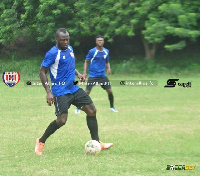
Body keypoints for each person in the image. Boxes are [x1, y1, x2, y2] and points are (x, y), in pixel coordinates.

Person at [35, 28, 113, 155]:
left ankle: (97, 142)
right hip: (60, 91)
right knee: (61, 121)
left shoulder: (70, 49)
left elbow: (70, 65)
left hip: (73, 88)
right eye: (62, 40)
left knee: (92, 111)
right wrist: (48, 92)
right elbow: (42, 71)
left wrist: (78, 74)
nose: (65, 42)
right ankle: (41, 141)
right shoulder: (52, 53)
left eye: (67, 39)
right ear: (57, 39)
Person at [75, 35, 118, 114]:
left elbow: (107, 61)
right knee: (87, 92)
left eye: (101, 40)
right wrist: (84, 72)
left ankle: (112, 107)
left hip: (102, 76)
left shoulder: (106, 51)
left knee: (109, 91)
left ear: (103, 41)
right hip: (93, 75)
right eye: (98, 40)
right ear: (96, 42)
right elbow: (86, 61)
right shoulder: (92, 51)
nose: (100, 42)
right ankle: (78, 107)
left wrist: (108, 68)